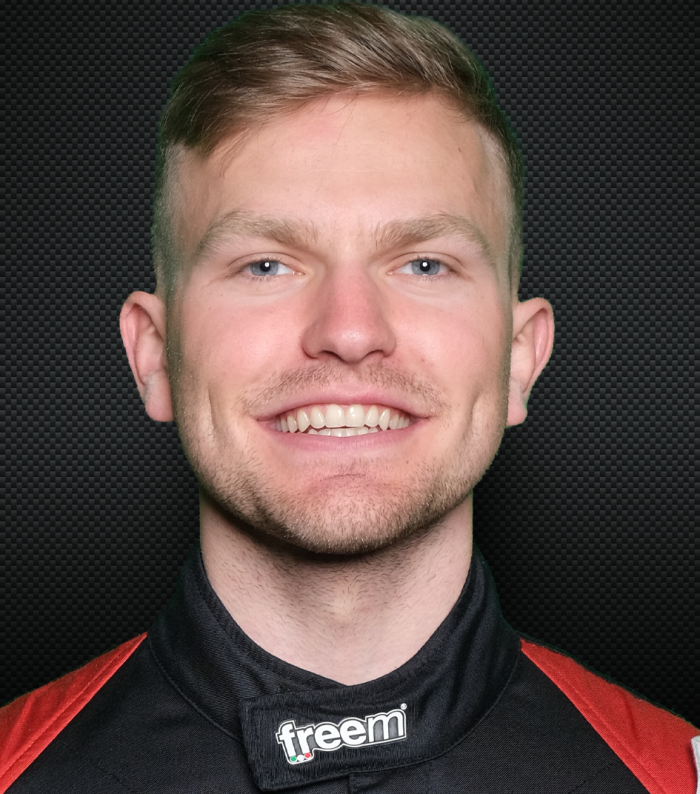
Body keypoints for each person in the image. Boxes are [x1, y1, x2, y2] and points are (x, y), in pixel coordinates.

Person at [1, 4, 697, 792]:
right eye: (266, 265)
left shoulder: (676, 776)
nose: (350, 331)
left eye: (424, 264)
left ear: (519, 358)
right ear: (155, 355)